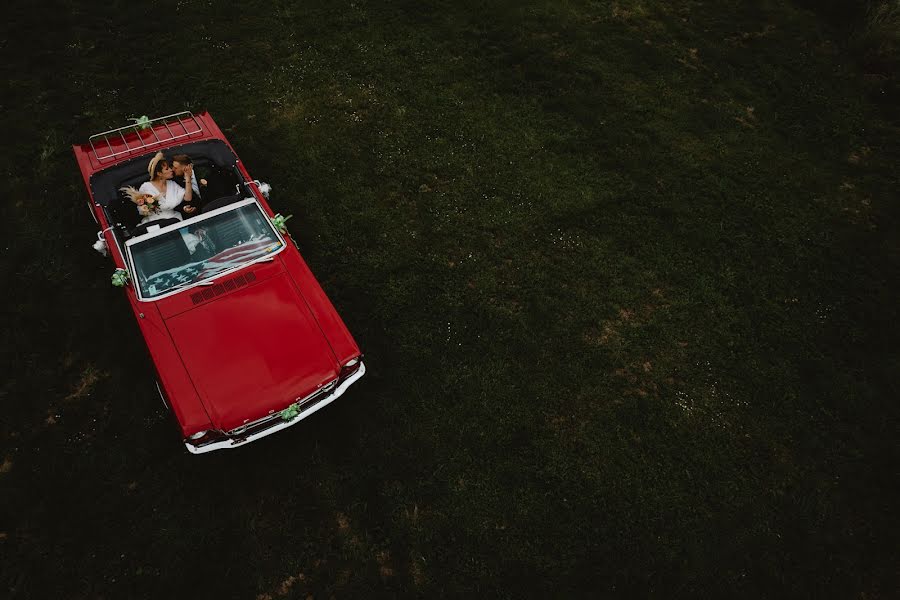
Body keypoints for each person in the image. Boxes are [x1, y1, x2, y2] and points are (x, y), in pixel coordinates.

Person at [137, 152, 196, 222]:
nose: (171, 170)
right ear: (159, 173)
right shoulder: (146, 187)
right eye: (167, 169)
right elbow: (142, 209)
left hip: (175, 220)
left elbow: (188, 198)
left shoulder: (172, 184)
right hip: (154, 223)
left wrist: (188, 178)